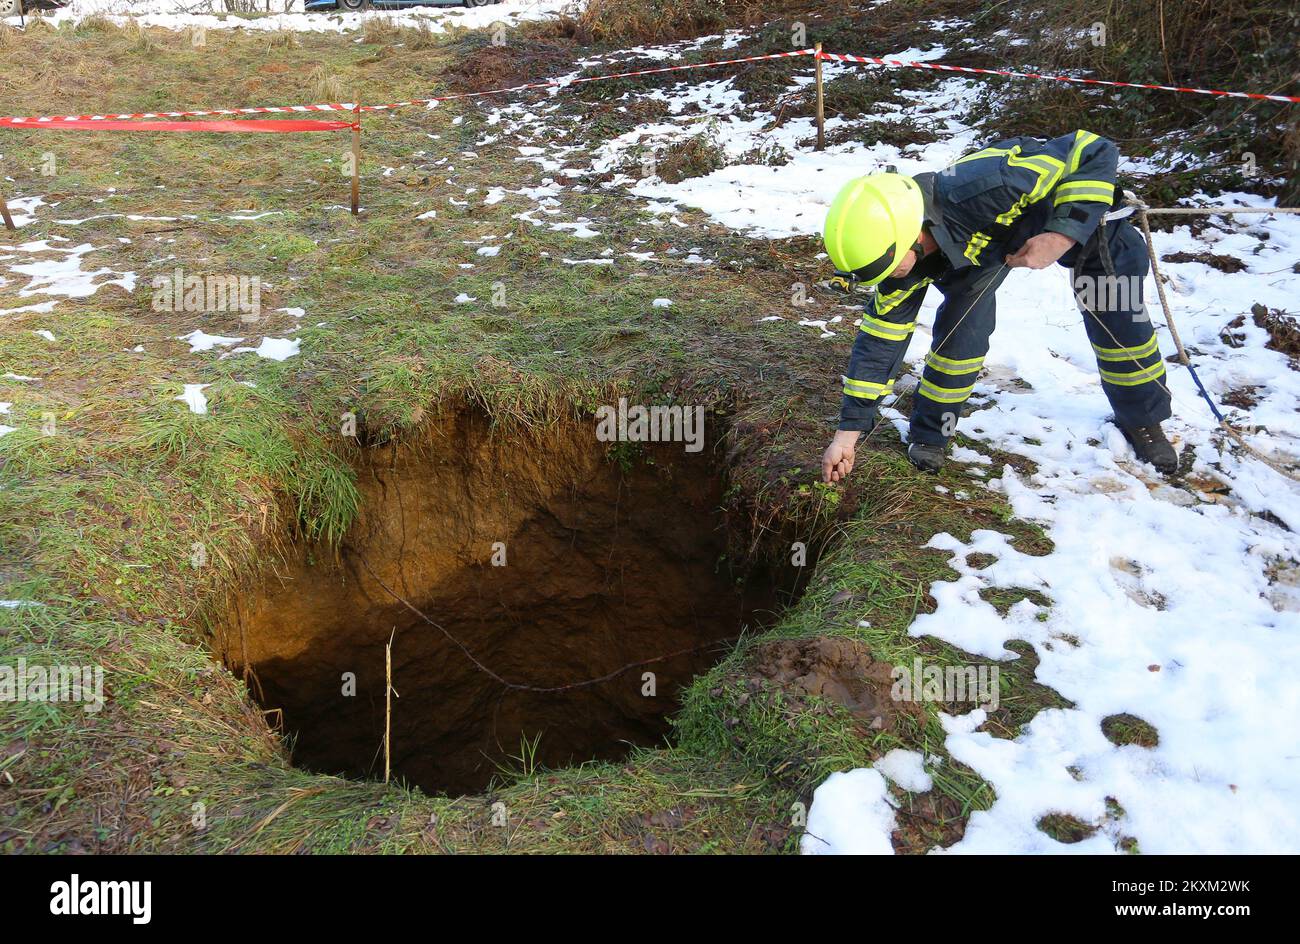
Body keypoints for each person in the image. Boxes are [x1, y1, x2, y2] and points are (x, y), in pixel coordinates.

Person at [820, 130, 1177, 483]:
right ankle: (931, 434)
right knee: (962, 338)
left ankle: (1141, 418)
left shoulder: (995, 182)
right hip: (981, 249)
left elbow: (1092, 147)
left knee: (1121, 328)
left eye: (891, 267)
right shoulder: (901, 250)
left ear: (912, 236)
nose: (890, 277)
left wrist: (1061, 235)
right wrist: (846, 435)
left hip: (1095, 232)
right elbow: (880, 342)